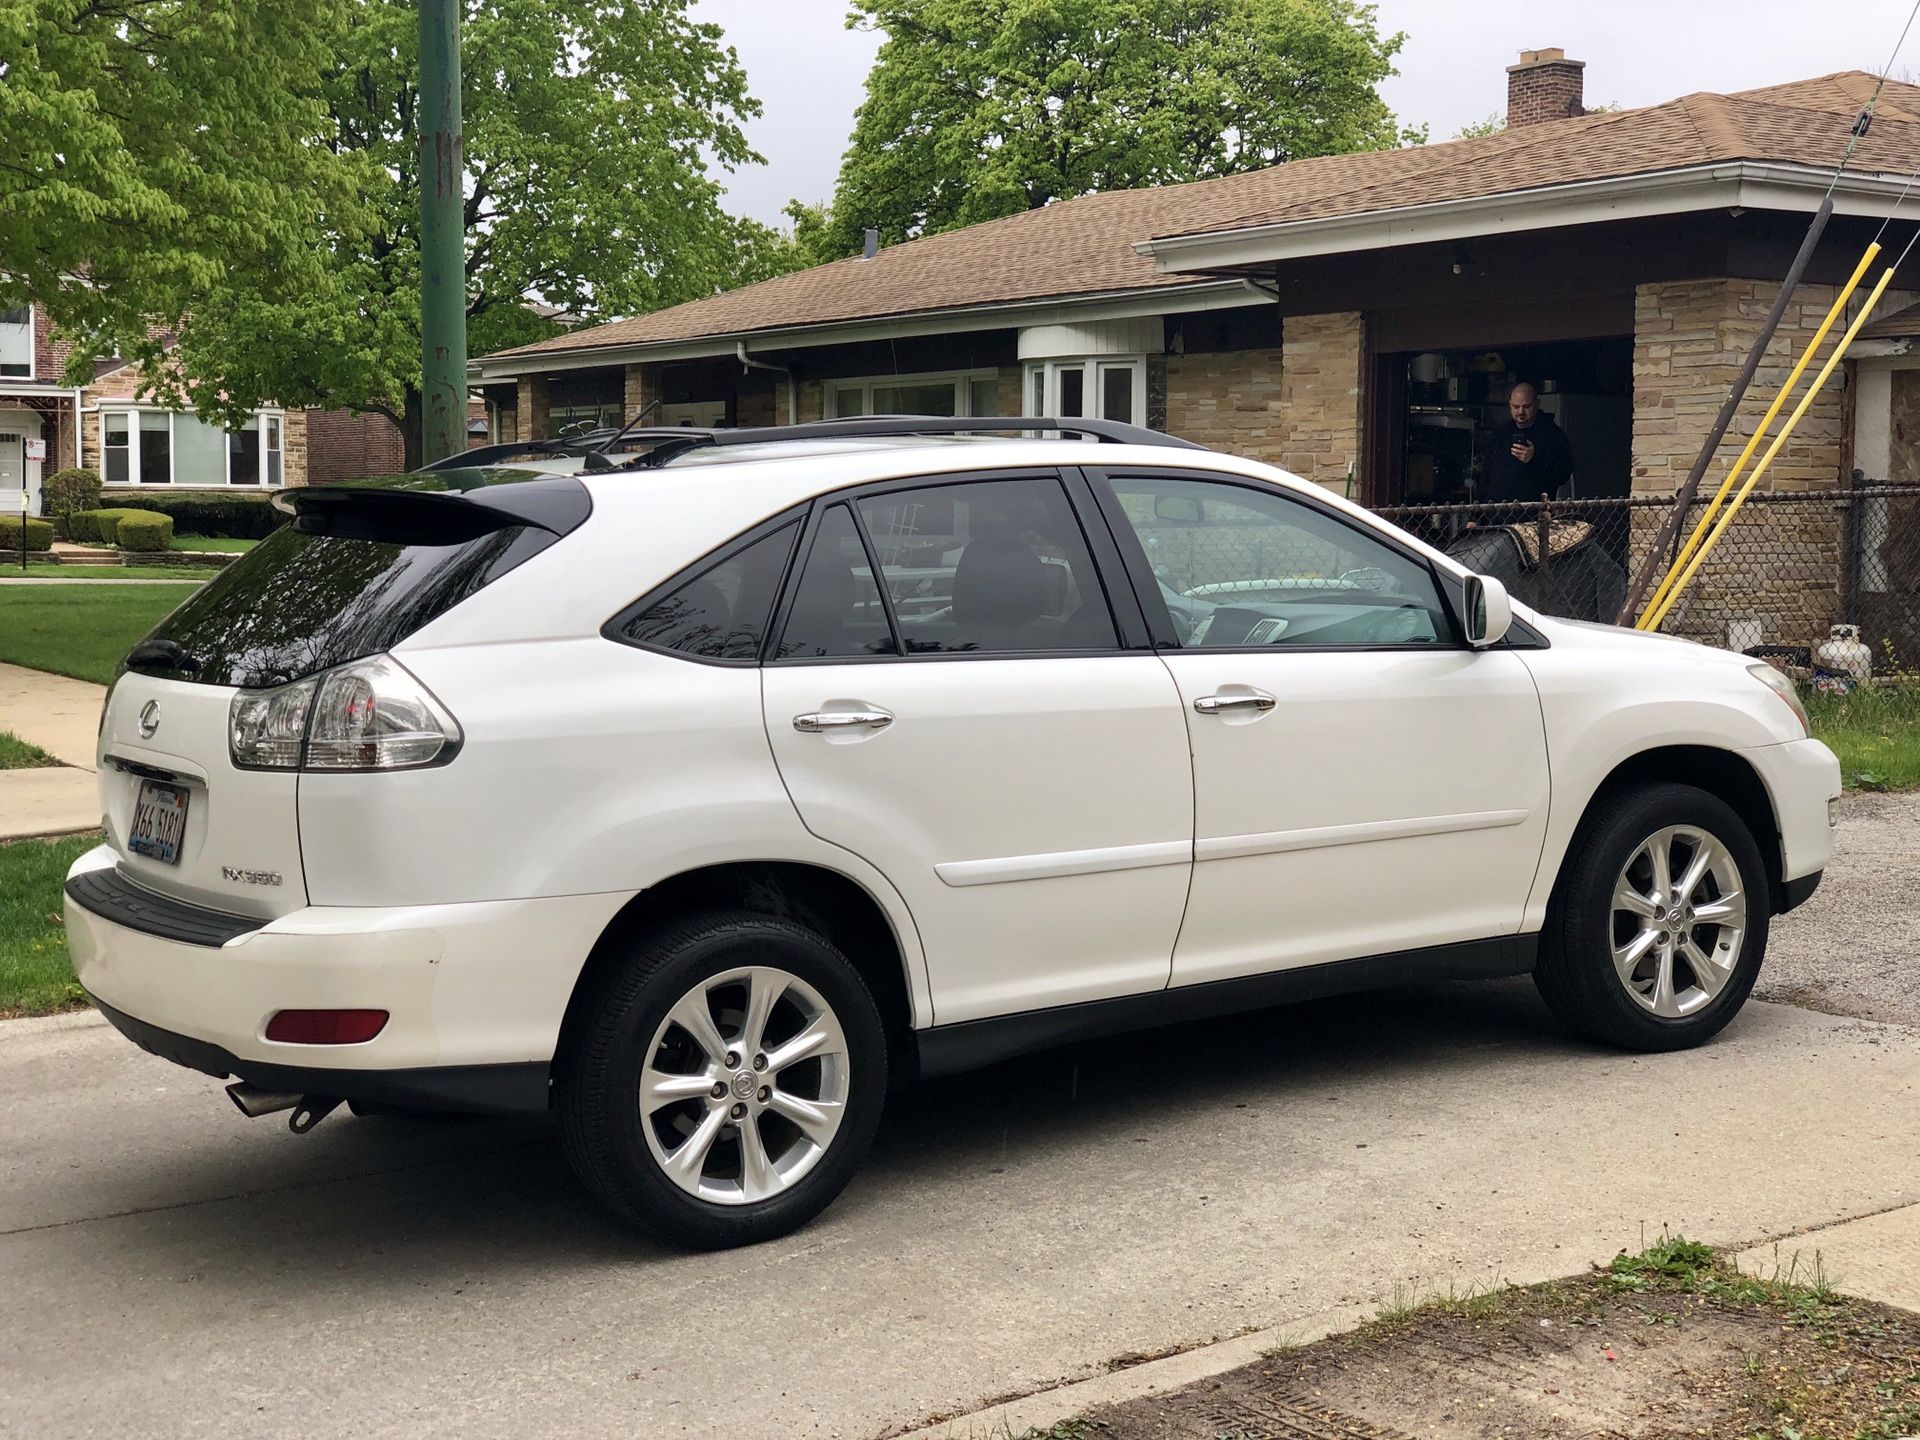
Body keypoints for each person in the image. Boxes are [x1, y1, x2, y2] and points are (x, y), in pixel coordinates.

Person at [1481, 382, 1574, 504]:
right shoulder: (1501, 434)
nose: (1521, 412)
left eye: (1526, 406)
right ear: (1510, 405)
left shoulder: (1552, 435)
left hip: (1533, 514)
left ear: (1537, 404)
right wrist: (1475, 516)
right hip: (1495, 513)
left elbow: (1563, 473)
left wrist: (1533, 460)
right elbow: (1486, 476)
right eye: (1516, 407)